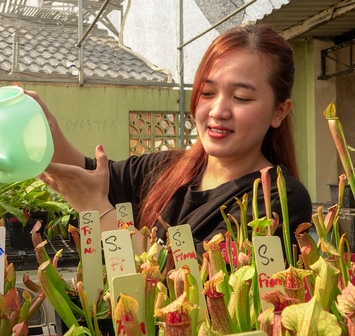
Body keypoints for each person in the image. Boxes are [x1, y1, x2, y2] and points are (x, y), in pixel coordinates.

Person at [27, 23, 312, 255]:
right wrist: (44, 129)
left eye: (241, 97)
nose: (218, 111)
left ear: (279, 110)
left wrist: (99, 211)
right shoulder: (167, 168)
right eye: (208, 93)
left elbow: (194, 284)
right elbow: (90, 174)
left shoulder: (278, 199)